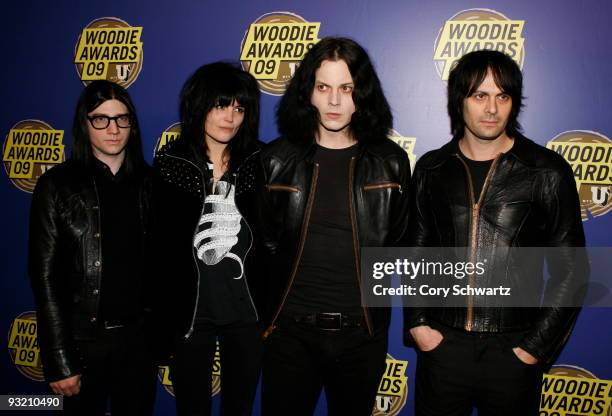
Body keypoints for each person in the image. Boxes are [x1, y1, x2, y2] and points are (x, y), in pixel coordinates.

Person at [404, 50, 588, 416]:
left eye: (502, 96)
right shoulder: (432, 168)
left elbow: (573, 269)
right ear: (460, 101)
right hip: (443, 347)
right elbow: (416, 252)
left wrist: (534, 347)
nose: (491, 108)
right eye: (480, 95)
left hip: (514, 351)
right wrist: (418, 325)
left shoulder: (546, 171)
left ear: (513, 103)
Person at [258, 37, 411, 416]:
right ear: (307, 91)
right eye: (323, 87)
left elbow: (404, 246)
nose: (334, 101)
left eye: (346, 88)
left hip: (361, 335)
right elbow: (261, 250)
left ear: (363, 93)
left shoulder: (391, 161)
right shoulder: (275, 160)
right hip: (289, 335)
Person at [28, 80, 156, 415]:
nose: (113, 129)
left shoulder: (152, 183)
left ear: (132, 123)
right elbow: (45, 278)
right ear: (84, 125)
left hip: (139, 345)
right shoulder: (56, 186)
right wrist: (59, 360)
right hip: (83, 344)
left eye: (122, 118)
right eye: (101, 119)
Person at [151, 61, 263, 416]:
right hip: (190, 312)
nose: (230, 116)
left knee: (240, 407)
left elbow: (274, 236)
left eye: (239, 107)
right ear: (199, 105)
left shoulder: (260, 160)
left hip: (247, 311)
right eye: (220, 104)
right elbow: (159, 247)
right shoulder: (171, 162)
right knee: (192, 408)